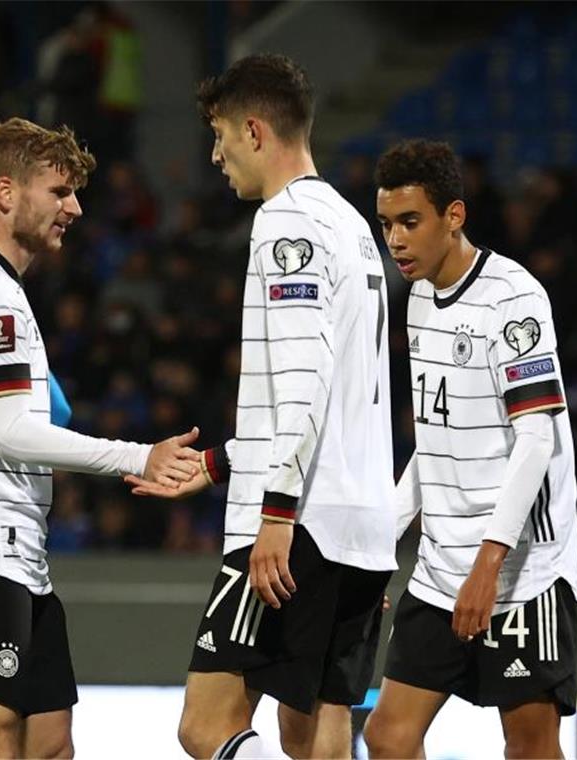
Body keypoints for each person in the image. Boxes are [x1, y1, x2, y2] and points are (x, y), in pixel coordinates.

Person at [124, 54, 396, 759]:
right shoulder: (353, 224)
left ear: (253, 131)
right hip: (361, 524)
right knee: (313, 730)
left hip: (294, 521)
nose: (214, 156)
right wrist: (217, 462)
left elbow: (303, 382)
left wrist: (273, 511)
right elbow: (335, 395)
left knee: (205, 724)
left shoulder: (288, 223)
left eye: (218, 136)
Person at [0, 117, 201, 759]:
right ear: (7, 193)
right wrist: (139, 456)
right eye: (60, 191)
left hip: (22, 561)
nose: (74, 207)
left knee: (50, 747)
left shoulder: (4, 293)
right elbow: (16, 434)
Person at [362, 139, 577, 759]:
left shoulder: (515, 298)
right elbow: (431, 446)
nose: (396, 240)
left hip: (523, 573)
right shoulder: (415, 301)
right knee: (387, 737)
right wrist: (381, 545)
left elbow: (536, 438)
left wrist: (489, 566)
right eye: (386, 225)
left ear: (453, 216)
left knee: (530, 746)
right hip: (438, 568)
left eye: (410, 222)